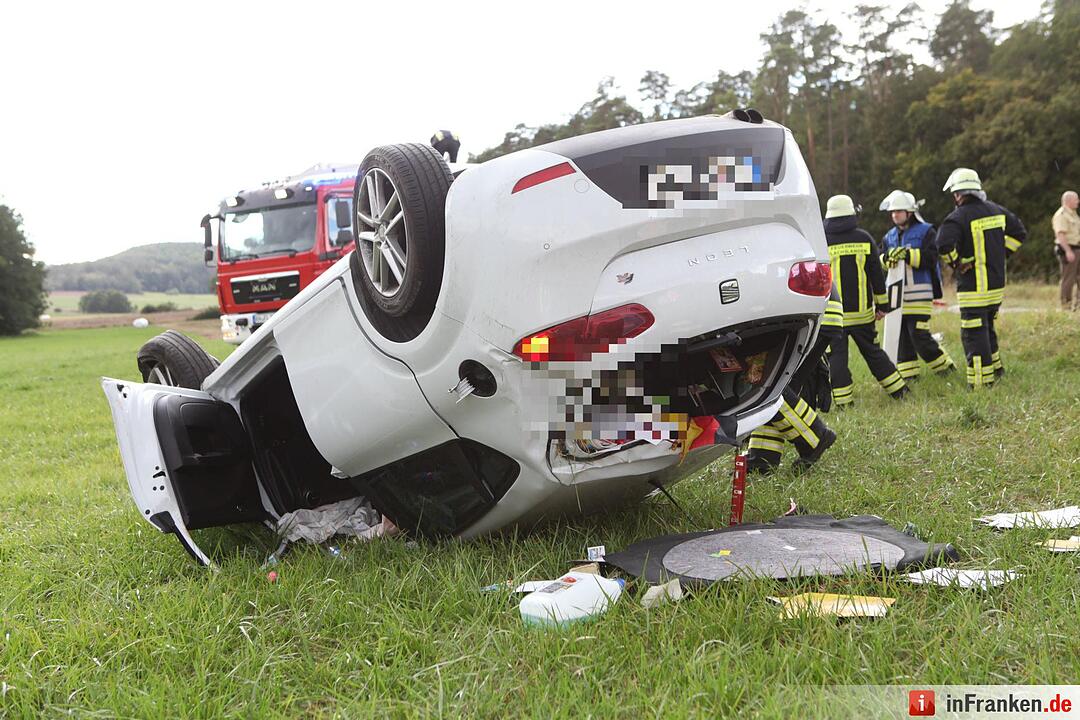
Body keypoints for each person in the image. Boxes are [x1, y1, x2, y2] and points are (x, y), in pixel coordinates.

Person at [936, 168, 1027, 388]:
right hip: (996, 287)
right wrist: (1000, 253)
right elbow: (1019, 233)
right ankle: (997, 370)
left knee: (973, 335)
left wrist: (957, 263)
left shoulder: (957, 217)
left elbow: (943, 244)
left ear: (958, 194)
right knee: (987, 328)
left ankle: (980, 383)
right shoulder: (996, 210)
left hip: (974, 288)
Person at [746, 285, 842, 474]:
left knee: (770, 385)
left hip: (807, 317)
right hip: (814, 314)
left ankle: (815, 437)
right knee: (775, 386)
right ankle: (762, 459)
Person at [823, 194, 908, 407]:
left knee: (837, 358)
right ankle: (900, 391)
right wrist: (882, 306)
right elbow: (876, 276)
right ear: (852, 213)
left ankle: (843, 403)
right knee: (874, 353)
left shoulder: (820, 241)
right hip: (862, 314)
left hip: (834, 316)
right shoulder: (864, 238)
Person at [878, 190, 956, 379]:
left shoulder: (926, 231)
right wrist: (886, 258)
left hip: (919, 295)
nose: (895, 215)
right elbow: (879, 259)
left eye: (899, 211)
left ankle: (946, 369)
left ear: (910, 212)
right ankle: (910, 376)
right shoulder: (889, 236)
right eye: (893, 212)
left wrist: (907, 255)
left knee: (919, 335)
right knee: (902, 337)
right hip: (897, 296)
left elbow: (931, 258)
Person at [1053, 190, 1080, 311]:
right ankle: (1066, 307)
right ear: (1068, 201)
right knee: (1068, 279)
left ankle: (1078, 306)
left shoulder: (1073, 214)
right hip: (1069, 249)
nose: (1078, 201)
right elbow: (1060, 234)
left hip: (1077, 248)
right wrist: (1068, 251)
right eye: (1076, 199)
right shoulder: (1061, 215)